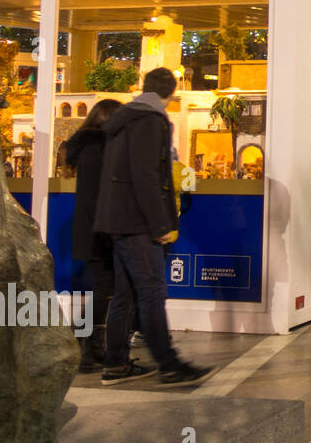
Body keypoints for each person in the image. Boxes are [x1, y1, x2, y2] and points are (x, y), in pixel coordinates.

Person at [94, 68, 212, 386]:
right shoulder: (150, 120)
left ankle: (115, 364)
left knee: (125, 295)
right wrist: (160, 224)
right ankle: (170, 365)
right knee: (151, 292)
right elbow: (146, 175)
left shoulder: (125, 119)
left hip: (118, 220)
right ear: (172, 94)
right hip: (138, 222)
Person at [63, 98, 123, 373]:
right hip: (98, 228)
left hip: (94, 226)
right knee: (104, 287)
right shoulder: (98, 149)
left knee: (105, 287)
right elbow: (99, 194)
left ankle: (92, 344)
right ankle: (86, 343)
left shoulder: (89, 147)